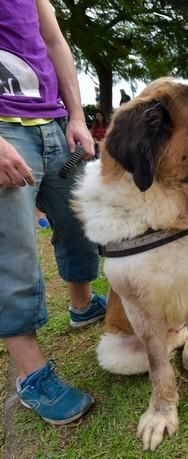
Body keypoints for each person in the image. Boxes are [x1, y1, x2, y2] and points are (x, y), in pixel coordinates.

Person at [0, 0, 106, 425]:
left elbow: (53, 40)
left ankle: (82, 306)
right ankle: (32, 376)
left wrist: (76, 115)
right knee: (13, 255)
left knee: (80, 224)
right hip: (4, 132)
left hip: (53, 123)